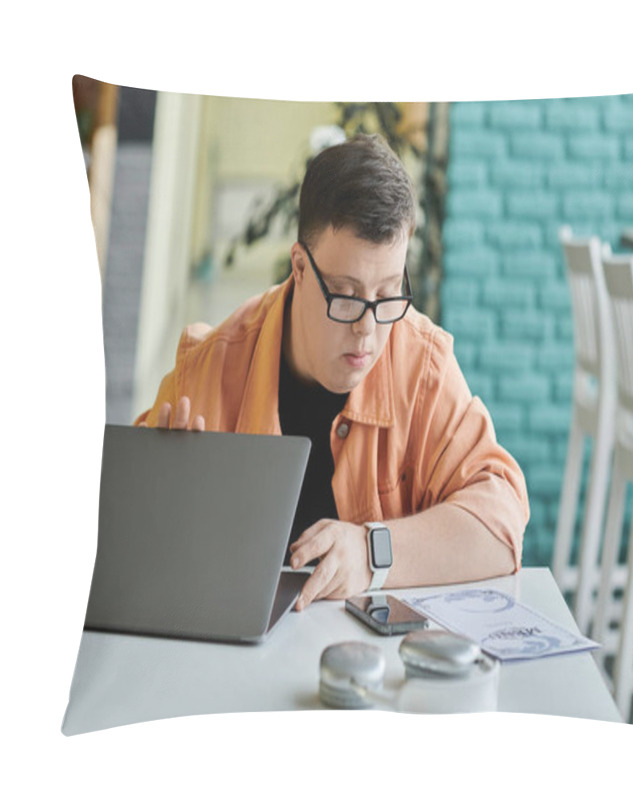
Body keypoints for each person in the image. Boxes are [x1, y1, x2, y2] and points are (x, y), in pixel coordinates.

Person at [136, 133, 530, 610]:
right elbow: (118, 533)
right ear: (300, 268)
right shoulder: (207, 371)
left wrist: (372, 553)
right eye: (345, 294)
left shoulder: (422, 364)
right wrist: (158, 501)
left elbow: (500, 523)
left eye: (387, 295)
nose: (368, 329)